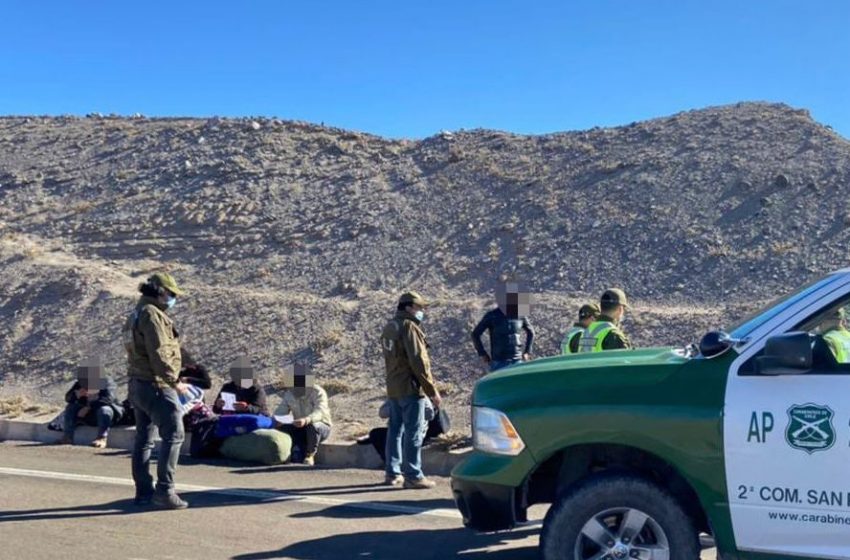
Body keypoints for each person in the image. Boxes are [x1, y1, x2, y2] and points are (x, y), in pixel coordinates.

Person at [124, 272, 191, 510]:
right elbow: (159, 352)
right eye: (171, 294)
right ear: (160, 291)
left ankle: (143, 492)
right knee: (174, 435)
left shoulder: (137, 312)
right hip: (156, 384)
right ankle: (165, 490)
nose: (173, 299)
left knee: (144, 438)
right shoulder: (152, 315)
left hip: (138, 383)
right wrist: (174, 382)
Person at [380, 291, 442, 489]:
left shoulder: (391, 326)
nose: (422, 311)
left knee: (395, 431)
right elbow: (419, 362)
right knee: (413, 433)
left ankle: (392, 473)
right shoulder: (409, 327)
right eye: (419, 307)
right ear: (408, 307)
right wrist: (432, 391)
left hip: (394, 386)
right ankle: (414, 475)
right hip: (410, 387)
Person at [273, 363, 332, 466]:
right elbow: (281, 411)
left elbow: (320, 412)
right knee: (280, 427)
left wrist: (307, 420)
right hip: (299, 425)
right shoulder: (290, 394)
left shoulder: (318, 392)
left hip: (320, 426)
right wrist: (277, 420)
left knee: (313, 426)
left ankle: (310, 455)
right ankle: (287, 452)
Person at [471, 281, 535, 371]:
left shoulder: (520, 315)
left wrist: (527, 352)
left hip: (517, 361)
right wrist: (482, 354)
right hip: (499, 362)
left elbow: (531, 332)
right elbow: (475, 334)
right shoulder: (492, 315)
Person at [59, 359, 123, 448]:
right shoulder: (81, 383)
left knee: (104, 409)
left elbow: (108, 399)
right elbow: (68, 398)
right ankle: (67, 437)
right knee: (71, 407)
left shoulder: (107, 382)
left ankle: (102, 438)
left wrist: (88, 407)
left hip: (107, 416)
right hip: (89, 416)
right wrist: (76, 395)